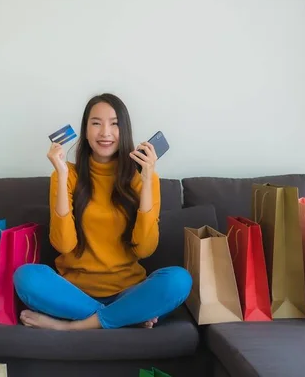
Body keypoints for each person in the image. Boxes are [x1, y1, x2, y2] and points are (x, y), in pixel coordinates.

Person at [13, 93, 192, 330]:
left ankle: (74, 326)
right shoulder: (66, 174)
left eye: (114, 124)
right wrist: (63, 174)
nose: (105, 132)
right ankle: (123, 318)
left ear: (124, 130)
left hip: (128, 291)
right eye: (96, 123)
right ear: (85, 131)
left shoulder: (143, 178)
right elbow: (64, 245)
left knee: (179, 280)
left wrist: (147, 181)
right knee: (26, 277)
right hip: (73, 294)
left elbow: (145, 248)